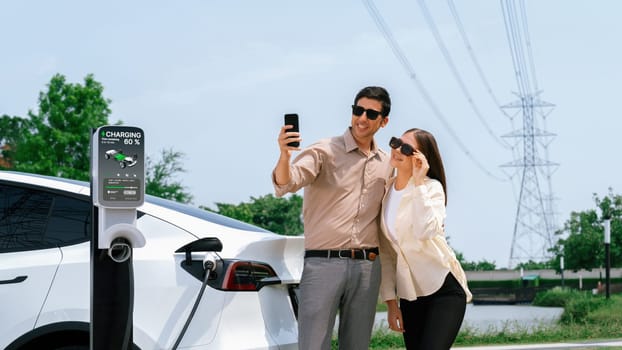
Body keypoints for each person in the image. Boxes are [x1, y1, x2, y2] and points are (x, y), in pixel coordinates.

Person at [272, 86, 393, 350]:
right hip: (323, 264)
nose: (362, 118)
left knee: (357, 346)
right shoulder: (323, 151)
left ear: (383, 122)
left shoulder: (387, 163)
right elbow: (286, 183)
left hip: (367, 267)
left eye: (371, 114)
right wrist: (284, 155)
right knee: (313, 345)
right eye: (357, 110)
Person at [379, 128, 472, 350]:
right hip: (410, 295)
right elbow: (387, 254)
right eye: (396, 142)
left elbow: (425, 231)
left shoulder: (431, 189)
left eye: (407, 148)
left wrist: (419, 182)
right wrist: (392, 304)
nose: (397, 150)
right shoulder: (386, 191)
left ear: (421, 159)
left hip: (443, 290)